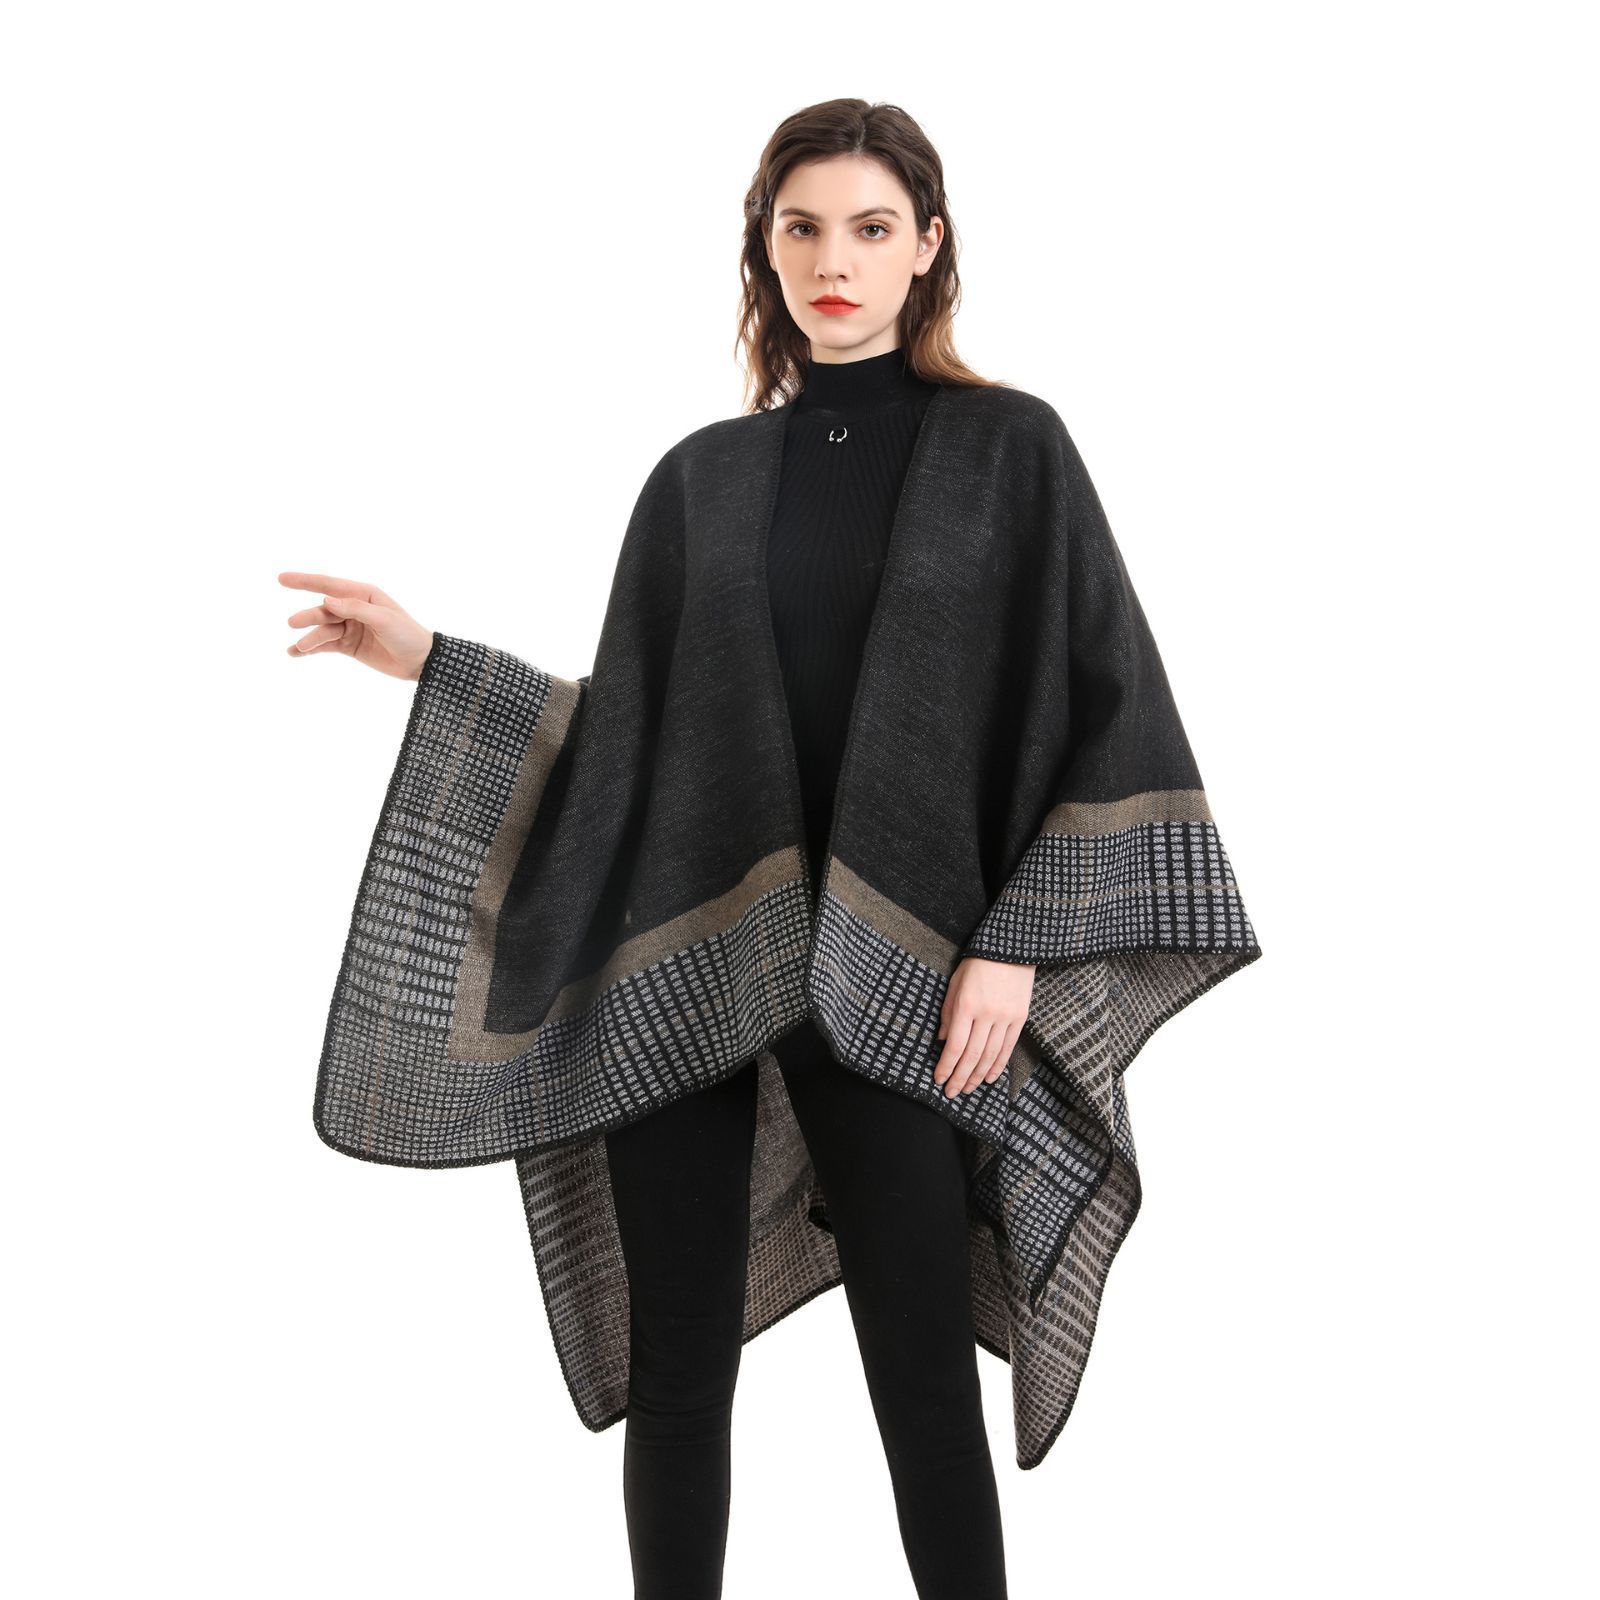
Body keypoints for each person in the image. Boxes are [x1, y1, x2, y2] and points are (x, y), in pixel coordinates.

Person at [285, 97, 1262, 1600]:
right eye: (802, 228)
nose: (834, 262)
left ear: (928, 246)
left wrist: (1013, 942)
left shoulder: (1012, 452)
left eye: (871, 228)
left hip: (904, 972)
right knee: (680, 1371)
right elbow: (638, 751)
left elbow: (1110, 707)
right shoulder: (703, 482)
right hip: (691, 963)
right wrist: (430, 662)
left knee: (920, 1376)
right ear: (766, 247)